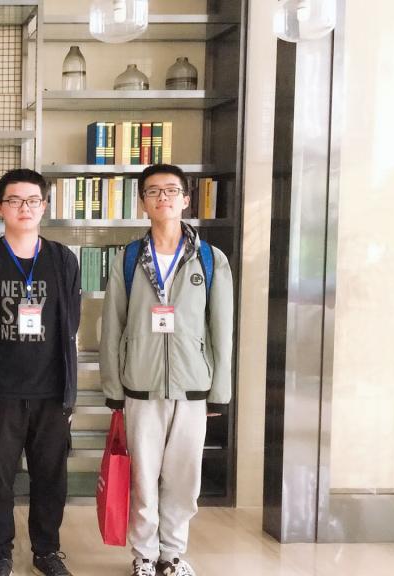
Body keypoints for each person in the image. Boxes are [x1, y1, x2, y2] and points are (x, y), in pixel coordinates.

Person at [99, 164, 233, 576]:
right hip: (141, 385)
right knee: (143, 479)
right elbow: (112, 326)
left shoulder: (210, 259)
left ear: (186, 199)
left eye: (172, 190)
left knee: (183, 480)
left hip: (193, 387)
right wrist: (113, 387)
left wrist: (219, 392)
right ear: (142, 202)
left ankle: (172, 555)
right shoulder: (128, 259)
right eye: (153, 191)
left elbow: (222, 329)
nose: (163, 197)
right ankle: (143, 555)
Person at [0, 168, 82, 576]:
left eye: (32, 200)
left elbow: (71, 322)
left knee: (51, 477)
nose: (24, 208)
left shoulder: (63, 260)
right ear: (0, 208)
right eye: (14, 200)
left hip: (52, 391)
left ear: (44, 206)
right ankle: (0, 552)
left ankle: (46, 550)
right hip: (0, 390)